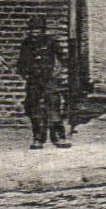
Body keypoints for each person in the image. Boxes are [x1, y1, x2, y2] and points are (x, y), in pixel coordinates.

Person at [16, 15, 70, 149]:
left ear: (43, 30)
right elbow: (21, 62)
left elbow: (63, 59)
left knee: (54, 107)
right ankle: (38, 139)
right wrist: (22, 72)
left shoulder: (51, 42)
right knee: (34, 109)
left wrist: (59, 72)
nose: (35, 32)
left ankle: (59, 137)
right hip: (33, 81)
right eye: (33, 29)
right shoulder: (26, 44)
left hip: (49, 80)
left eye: (38, 29)